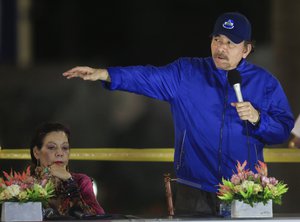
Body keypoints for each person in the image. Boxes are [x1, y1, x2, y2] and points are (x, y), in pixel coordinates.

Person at [62, 12, 294, 216]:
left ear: (246, 49)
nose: (221, 48)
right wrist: (104, 74)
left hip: (245, 190)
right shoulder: (187, 72)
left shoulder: (265, 83)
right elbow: (147, 77)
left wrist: (258, 119)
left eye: (230, 43)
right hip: (194, 187)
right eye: (217, 40)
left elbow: (283, 129)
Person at [30, 122, 105, 218]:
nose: (60, 153)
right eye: (52, 147)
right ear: (36, 152)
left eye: (65, 148)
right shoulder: (23, 186)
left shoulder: (81, 181)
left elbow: (99, 218)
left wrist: (70, 182)